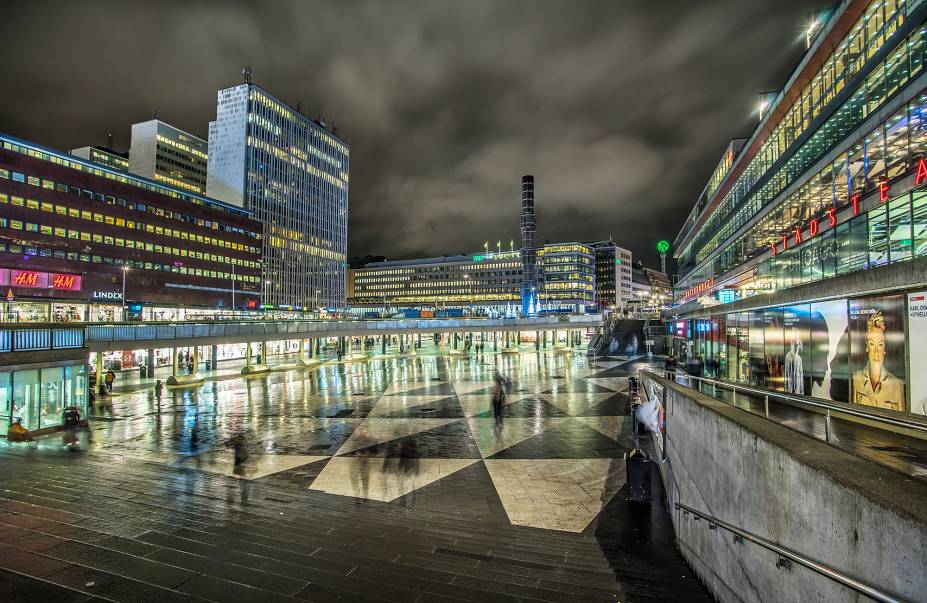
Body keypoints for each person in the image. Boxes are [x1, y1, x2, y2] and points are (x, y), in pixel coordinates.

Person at [851, 311, 904, 411]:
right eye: (872, 344)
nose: (876, 352)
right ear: (866, 346)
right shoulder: (856, 379)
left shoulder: (897, 385)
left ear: (885, 348)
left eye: (880, 345)